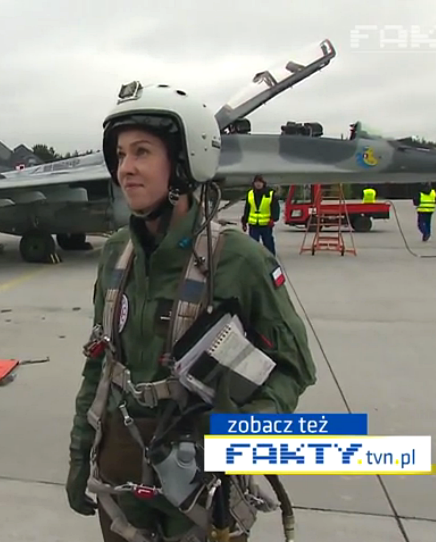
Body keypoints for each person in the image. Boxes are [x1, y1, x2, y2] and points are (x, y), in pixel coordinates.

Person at [66, 81, 317, 542]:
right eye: (120, 155)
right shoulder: (116, 254)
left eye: (142, 152)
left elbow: (294, 368)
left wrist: (236, 433)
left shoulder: (239, 259)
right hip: (120, 462)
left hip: (203, 475)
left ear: (185, 162)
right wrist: (81, 453)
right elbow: (99, 362)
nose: (126, 168)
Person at [240, 174, 280, 255]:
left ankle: (271, 258)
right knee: (253, 245)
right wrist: (244, 221)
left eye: (260, 182)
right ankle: (254, 259)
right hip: (254, 225)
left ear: (263, 183)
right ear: (254, 184)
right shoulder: (250, 194)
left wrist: (273, 218)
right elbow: (247, 208)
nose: (258, 184)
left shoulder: (270, 194)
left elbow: (275, 207)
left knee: (268, 244)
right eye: (256, 182)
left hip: (266, 225)